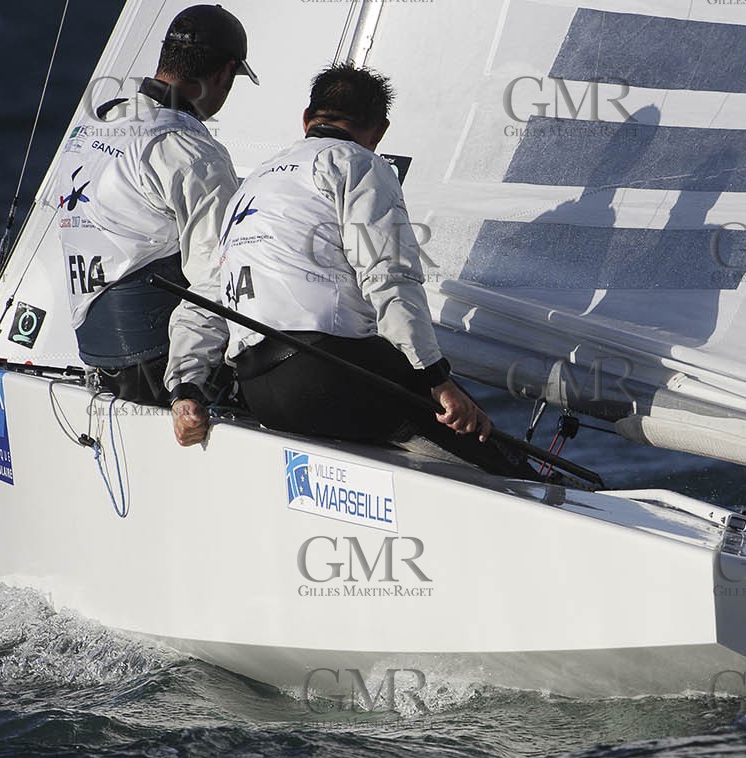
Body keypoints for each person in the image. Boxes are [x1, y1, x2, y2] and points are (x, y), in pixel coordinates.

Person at [173, 62, 519, 475]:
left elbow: (207, 295)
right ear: (380, 130)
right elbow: (388, 276)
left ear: (307, 120)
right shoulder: (360, 165)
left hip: (259, 389)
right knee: (490, 450)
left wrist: (185, 388)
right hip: (324, 378)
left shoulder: (254, 182)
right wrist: (437, 380)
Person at [56, 3, 256, 407]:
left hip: (98, 356)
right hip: (159, 369)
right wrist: (188, 385)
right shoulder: (191, 151)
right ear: (222, 74)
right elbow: (216, 278)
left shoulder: (94, 124)